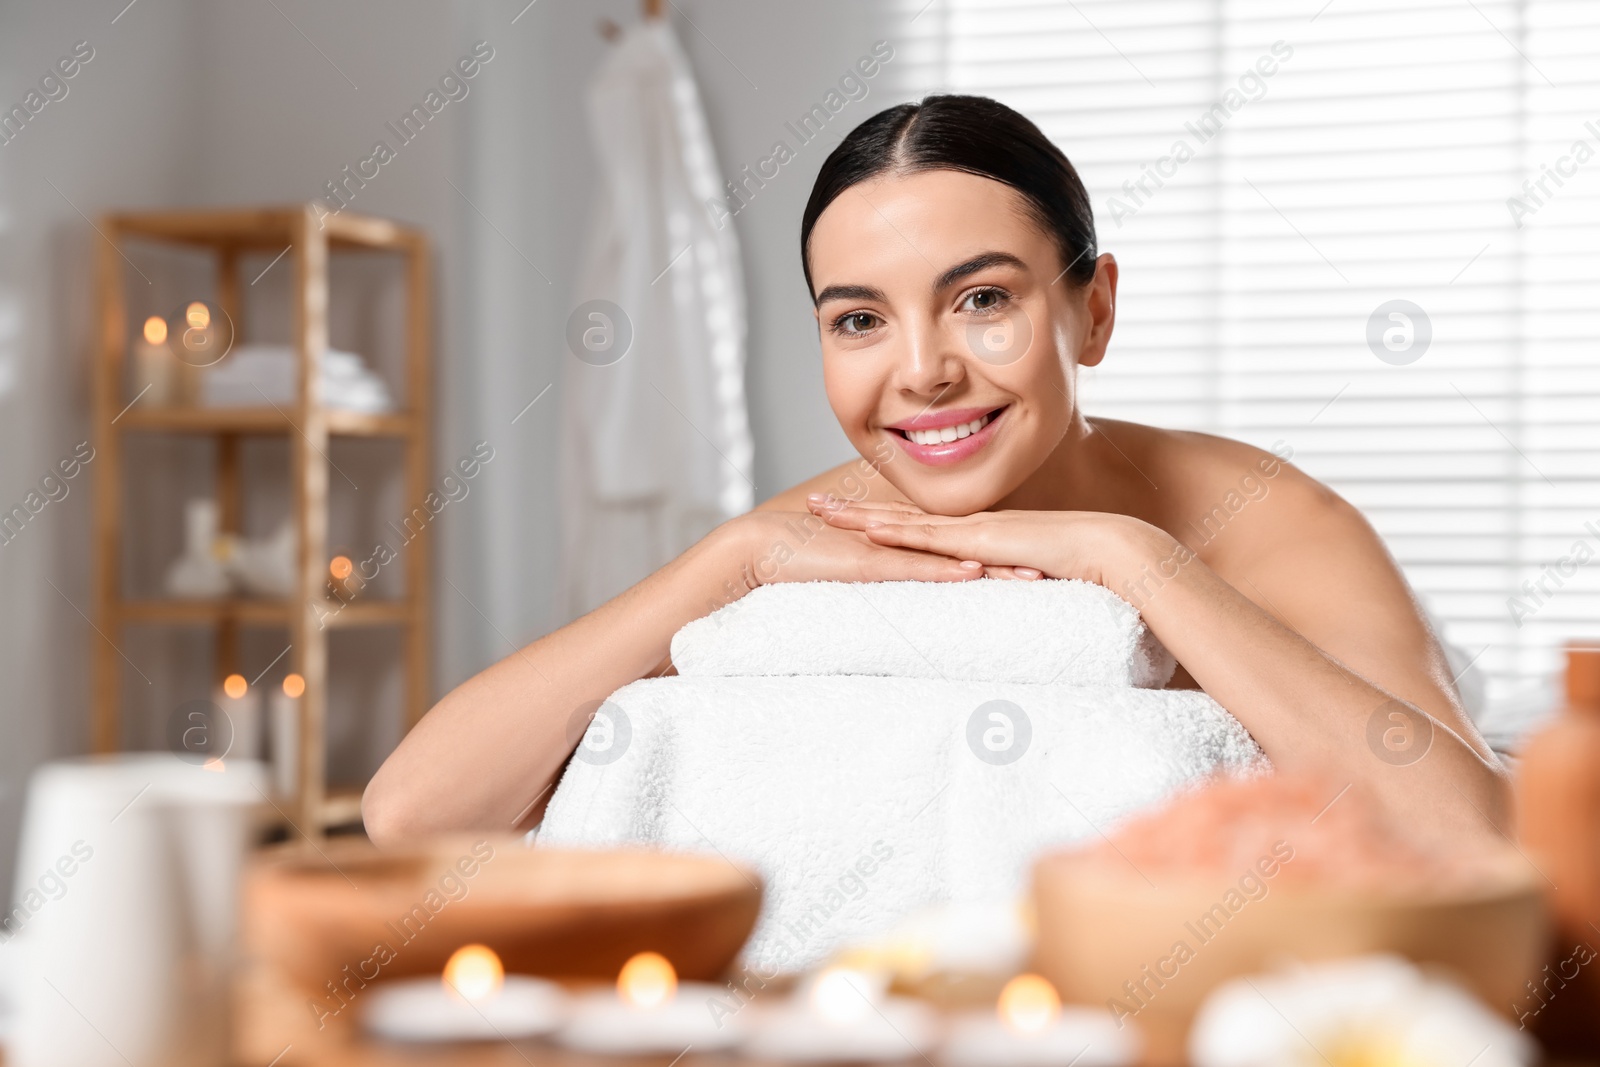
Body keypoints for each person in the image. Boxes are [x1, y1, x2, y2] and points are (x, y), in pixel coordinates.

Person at [363, 95, 1507, 849]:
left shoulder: (1264, 518)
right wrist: (730, 557)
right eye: (858, 319)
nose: (921, 371)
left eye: (982, 299)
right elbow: (412, 813)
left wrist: (1135, 562)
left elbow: (1472, 838)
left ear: (1092, 307)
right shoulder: (819, 531)